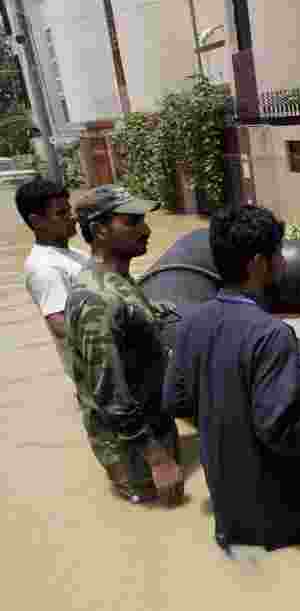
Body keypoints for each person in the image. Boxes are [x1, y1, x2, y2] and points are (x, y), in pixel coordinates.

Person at [163, 205, 300, 552]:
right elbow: (277, 431)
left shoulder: (192, 322)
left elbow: (175, 400)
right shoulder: (272, 335)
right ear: (257, 264)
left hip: (227, 511)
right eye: (279, 253)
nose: (284, 261)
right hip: (274, 522)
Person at [64, 185, 184, 506]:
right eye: (131, 222)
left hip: (153, 424)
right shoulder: (95, 298)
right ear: (100, 229)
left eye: (142, 220)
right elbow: (108, 392)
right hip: (134, 450)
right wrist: (156, 459)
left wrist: (151, 314)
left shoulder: (117, 280)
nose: (145, 229)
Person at [17, 178, 90, 377]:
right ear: (36, 221)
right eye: (62, 213)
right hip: (95, 377)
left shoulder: (72, 254)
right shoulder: (45, 268)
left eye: (69, 209)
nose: (73, 217)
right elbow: (61, 326)